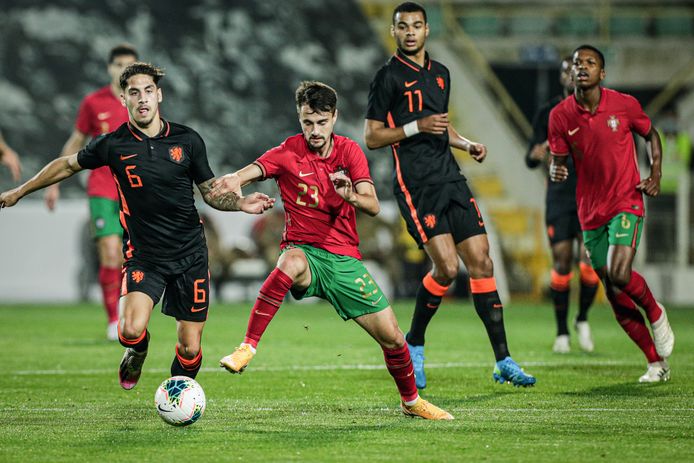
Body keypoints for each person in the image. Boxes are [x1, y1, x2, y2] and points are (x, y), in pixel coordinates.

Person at [0, 62, 274, 390]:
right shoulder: (112, 144)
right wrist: (20, 191)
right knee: (129, 330)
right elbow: (66, 165)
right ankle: (138, 351)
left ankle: (177, 394)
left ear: (159, 95)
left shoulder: (188, 140)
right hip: (145, 256)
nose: (142, 98)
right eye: (134, 92)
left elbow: (210, 193)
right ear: (123, 99)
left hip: (190, 255)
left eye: (148, 91)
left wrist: (240, 203)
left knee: (190, 347)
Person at [212, 81, 453, 420]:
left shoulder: (349, 151)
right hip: (305, 253)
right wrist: (235, 181)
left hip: (344, 261)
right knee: (290, 261)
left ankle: (411, 402)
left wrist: (350, 195)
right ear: (300, 118)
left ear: (334, 117)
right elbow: (247, 173)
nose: (314, 130)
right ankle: (247, 347)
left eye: (321, 122)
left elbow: (372, 205)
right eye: (307, 122)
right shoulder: (287, 152)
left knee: (394, 339)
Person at [364, 1, 535, 389]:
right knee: (446, 267)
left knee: (482, 263)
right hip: (416, 185)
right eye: (403, 26)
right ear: (394, 31)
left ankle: (504, 360)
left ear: (427, 30)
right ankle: (414, 343)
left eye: (417, 25)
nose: (410, 32)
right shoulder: (387, 77)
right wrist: (416, 127)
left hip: (451, 179)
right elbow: (372, 136)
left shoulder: (441, 73)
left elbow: (440, 125)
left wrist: (466, 143)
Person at [549, 45, 675, 382]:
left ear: (602, 73)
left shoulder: (624, 104)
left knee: (620, 273)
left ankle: (655, 312)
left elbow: (651, 134)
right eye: (578, 63)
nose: (582, 67)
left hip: (626, 200)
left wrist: (656, 174)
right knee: (614, 291)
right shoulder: (560, 115)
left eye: (590, 63)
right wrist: (555, 169)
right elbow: (558, 160)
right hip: (590, 211)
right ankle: (655, 363)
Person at [44, 44, 139, 341]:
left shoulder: (142, 101)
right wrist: (53, 183)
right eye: (118, 64)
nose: (123, 70)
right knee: (110, 253)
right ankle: (114, 321)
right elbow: (76, 142)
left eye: (129, 65)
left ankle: (131, 315)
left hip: (137, 190)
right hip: (103, 189)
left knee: (133, 257)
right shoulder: (93, 102)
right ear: (109, 68)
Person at [525, 57, 599, 354]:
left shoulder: (596, 110)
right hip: (558, 195)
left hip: (590, 195)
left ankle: (582, 318)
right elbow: (530, 158)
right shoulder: (548, 113)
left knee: (590, 260)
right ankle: (561, 332)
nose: (571, 75)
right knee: (562, 261)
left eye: (576, 70)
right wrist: (537, 153)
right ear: (561, 77)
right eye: (567, 70)